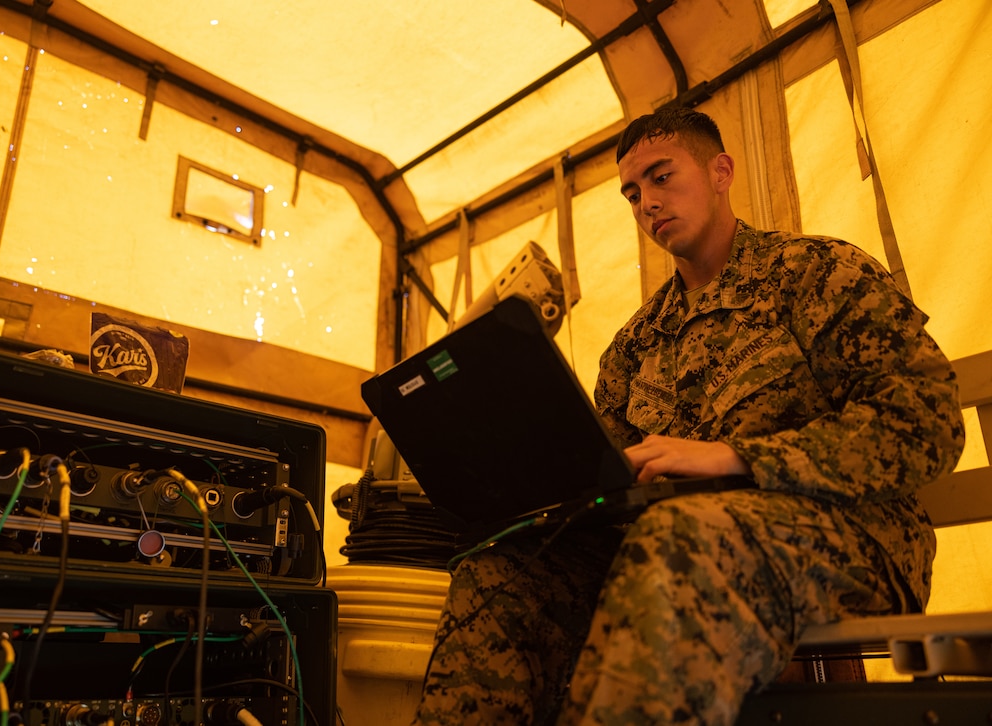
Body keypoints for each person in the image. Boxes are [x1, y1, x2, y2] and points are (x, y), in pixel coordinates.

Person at [409, 106, 966, 725]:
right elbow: (604, 482)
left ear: (721, 171)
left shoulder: (815, 274)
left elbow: (927, 422)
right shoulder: (635, 343)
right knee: (500, 575)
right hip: (669, 553)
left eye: (662, 176)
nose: (646, 201)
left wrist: (738, 459)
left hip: (853, 542)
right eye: (632, 192)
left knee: (681, 537)